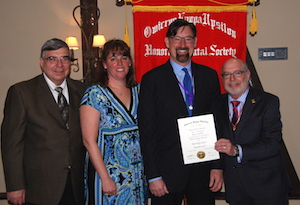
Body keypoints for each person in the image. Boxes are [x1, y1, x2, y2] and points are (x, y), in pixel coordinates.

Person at [138, 19, 223, 205]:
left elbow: (218, 123)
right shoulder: (152, 80)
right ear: (167, 42)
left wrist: (217, 167)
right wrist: (153, 176)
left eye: (188, 39)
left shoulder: (209, 76)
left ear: (195, 43)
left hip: (203, 171)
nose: (183, 45)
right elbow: (148, 131)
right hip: (166, 174)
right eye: (177, 39)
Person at [1, 38, 87, 205]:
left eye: (64, 58)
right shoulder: (22, 92)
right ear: (42, 63)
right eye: (52, 59)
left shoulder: (82, 90)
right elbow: (11, 145)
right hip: (40, 189)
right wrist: (15, 186)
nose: (59, 64)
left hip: (77, 187)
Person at [215, 58, 291, 205]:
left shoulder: (268, 102)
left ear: (248, 75)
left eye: (237, 73)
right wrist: (216, 168)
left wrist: (237, 150)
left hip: (268, 188)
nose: (232, 79)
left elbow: (273, 144)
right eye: (227, 74)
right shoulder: (217, 103)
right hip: (236, 189)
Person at [80, 39, 147, 205]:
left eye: (124, 58)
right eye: (113, 58)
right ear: (104, 64)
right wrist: (105, 177)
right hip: (109, 176)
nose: (119, 63)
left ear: (130, 62)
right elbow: (89, 141)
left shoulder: (140, 91)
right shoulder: (94, 94)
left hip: (138, 176)